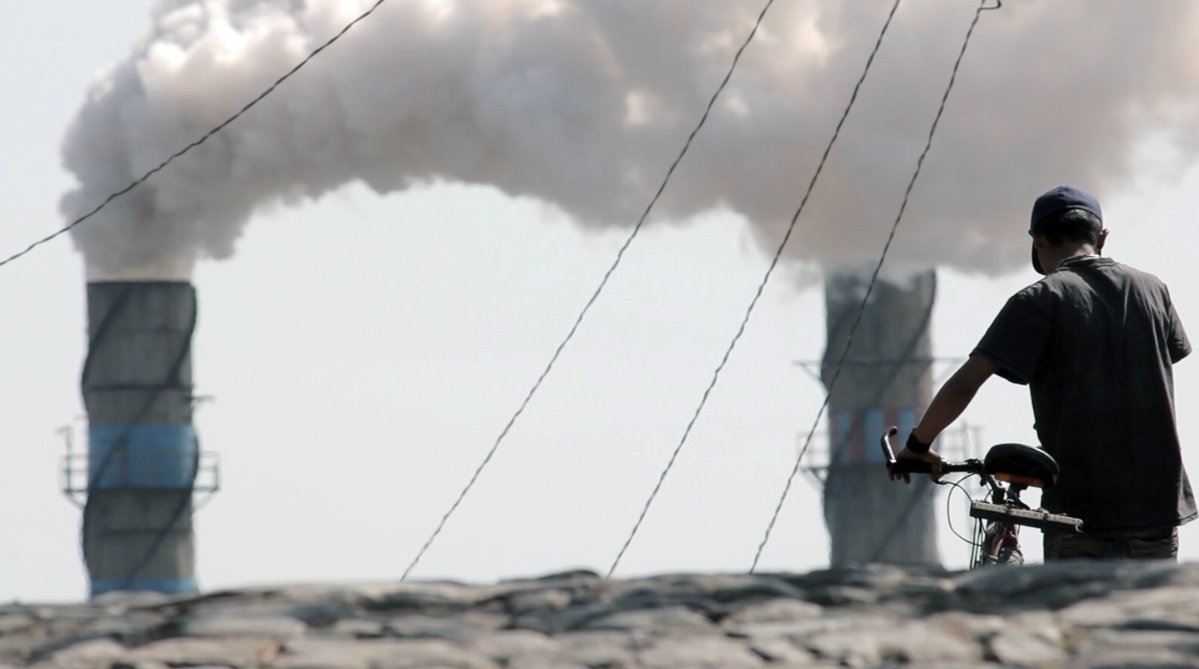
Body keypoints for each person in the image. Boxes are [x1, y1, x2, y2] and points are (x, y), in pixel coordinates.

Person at [893, 185, 1195, 560]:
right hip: (1157, 505)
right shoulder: (1154, 290)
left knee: (1077, 615)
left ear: (1037, 240)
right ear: (1101, 237)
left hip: (1080, 510)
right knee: (1148, 617)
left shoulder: (1040, 299)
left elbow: (965, 383)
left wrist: (918, 446)